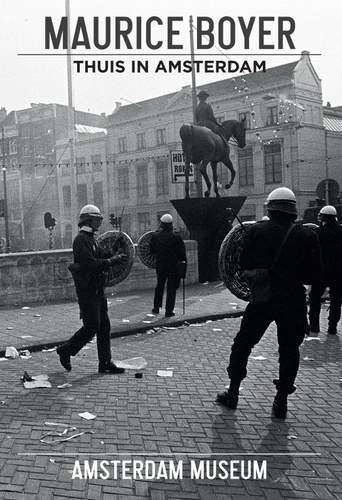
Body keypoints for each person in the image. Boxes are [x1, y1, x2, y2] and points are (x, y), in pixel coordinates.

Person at [216, 187, 321, 418]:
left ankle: (232, 392)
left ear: (270, 208)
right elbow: (313, 275)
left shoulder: (255, 232)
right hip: (292, 301)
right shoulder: (307, 236)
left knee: (243, 344)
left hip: (262, 298)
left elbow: (242, 265)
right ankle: (281, 401)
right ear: (293, 210)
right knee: (289, 350)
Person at [56, 204, 126, 374]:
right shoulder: (81, 240)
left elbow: (101, 255)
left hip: (96, 290)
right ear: (89, 220)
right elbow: (90, 265)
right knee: (91, 327)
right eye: (97, 219)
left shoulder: (91, 239)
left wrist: (114, 250)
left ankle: (105, 363)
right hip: (88, 291)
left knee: (104, 327)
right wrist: (112, 261)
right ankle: (66, 350)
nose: (99, 223)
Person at [309, 205, 342, 335]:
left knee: (315, 299)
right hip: (338, 273)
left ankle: (314, 326)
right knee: (336, 300)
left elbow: (311, 254)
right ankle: (332, 327)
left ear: (323, 217)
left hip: (320, 272)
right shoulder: (341, 232)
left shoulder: (317, 233)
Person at [150, 214, 187, 318]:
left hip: (161, 265)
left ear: (161, 224)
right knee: (171, 289)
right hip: (173, 267)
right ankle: (169, 311)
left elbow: (152, 251)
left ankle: (156, 308)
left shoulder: (155, 236)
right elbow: (182, 255)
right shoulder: (177, 237)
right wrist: (183, 270)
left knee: (159, 286)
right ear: (171, 225)